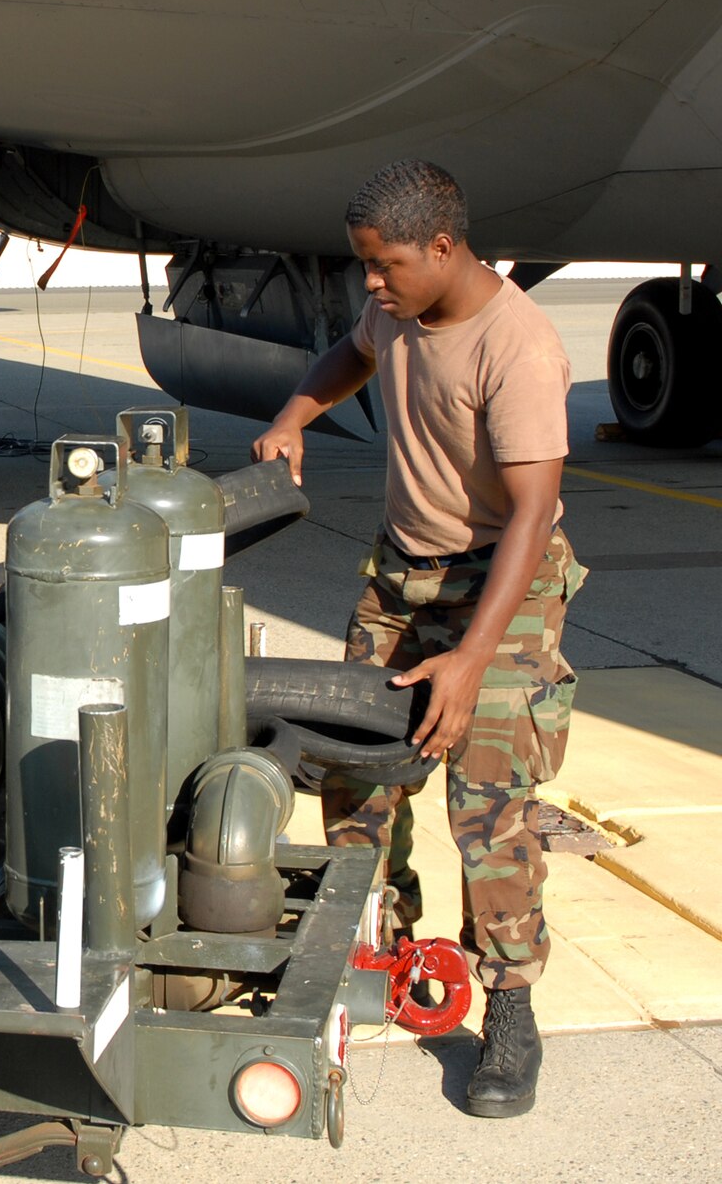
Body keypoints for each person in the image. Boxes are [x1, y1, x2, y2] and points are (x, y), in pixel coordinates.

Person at [253, 159, 583, 1119]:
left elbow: (532, 514)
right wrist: (293, 415)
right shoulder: (398, 308)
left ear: (444, 248)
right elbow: (348, 356)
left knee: (488, 802)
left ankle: (510, 1007)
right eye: (365, 266)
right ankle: (379, 947)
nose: (372, 284)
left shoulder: (517, 346)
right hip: (403, 571)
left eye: (385, 265)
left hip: (501, 583)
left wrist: (473, 658)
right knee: (355, 768)